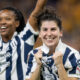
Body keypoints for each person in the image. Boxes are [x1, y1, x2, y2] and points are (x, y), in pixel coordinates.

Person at [25, 6, 80, 80]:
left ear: (60, 32)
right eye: (45, 30)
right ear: (40, 34)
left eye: (53, 29)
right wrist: (38, 65)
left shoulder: (73, 54)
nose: (49, 33)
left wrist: (60, 65)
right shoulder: (33, 54)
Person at [0, 0, 47, 80]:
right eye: (0, 19)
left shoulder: (24, 38)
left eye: (7, 19)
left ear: (17, 23)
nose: (3, 22)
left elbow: (38, 10)